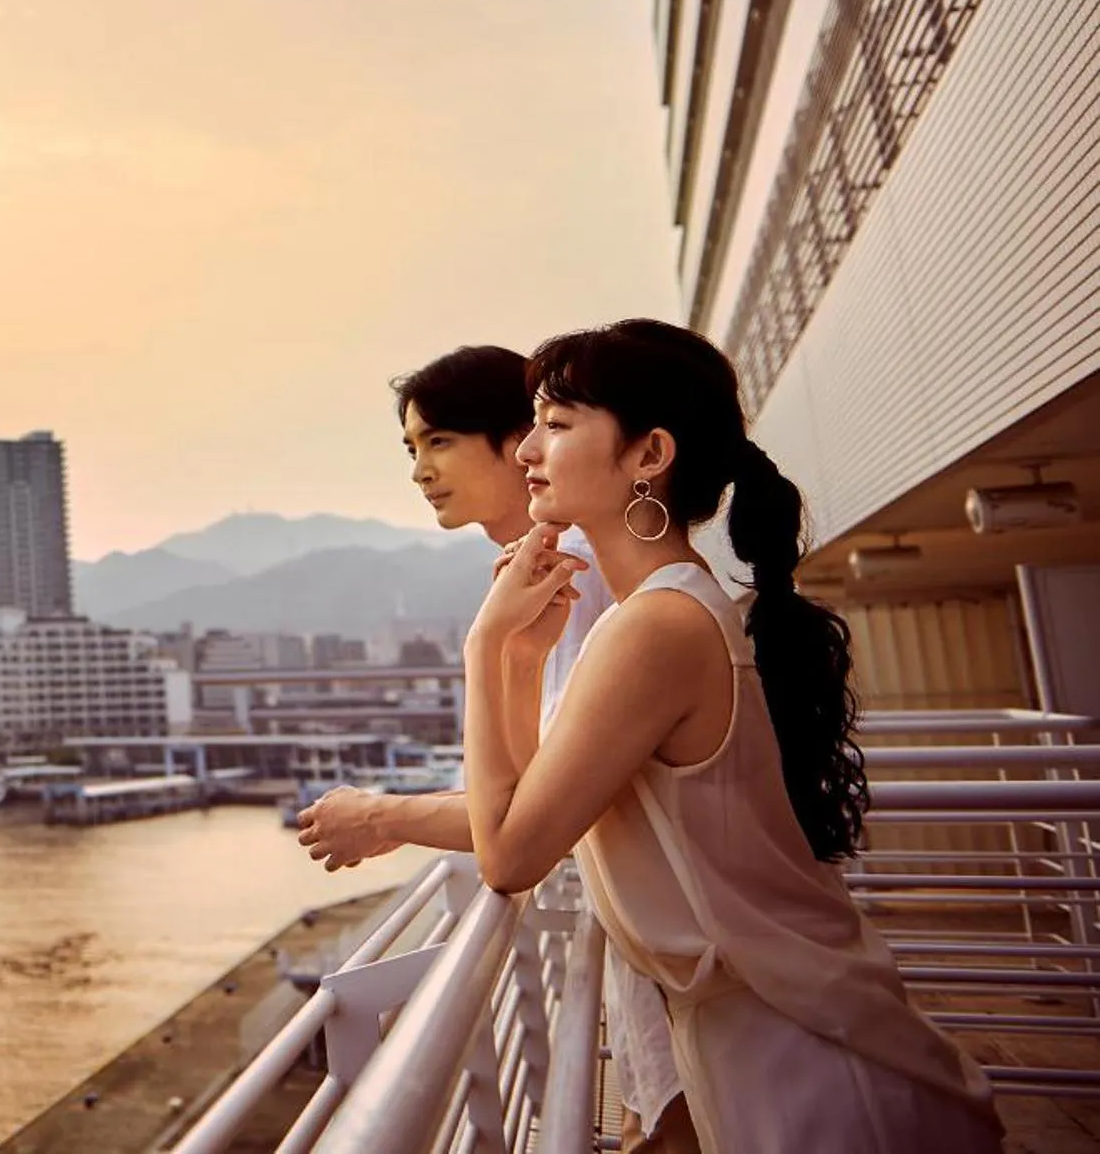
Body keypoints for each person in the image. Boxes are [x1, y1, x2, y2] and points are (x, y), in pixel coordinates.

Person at [465, 318, 1001, 1153]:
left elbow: (506, 852)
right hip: (775, 1034)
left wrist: (482, 645)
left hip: (804, 1059)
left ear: (648, 455)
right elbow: (543, 801)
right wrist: (523, 657)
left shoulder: (658, 626)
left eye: (557, 423)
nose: (527, 449)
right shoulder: (671, 607)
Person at [297, 345, 692, 1151]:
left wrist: (383, 814)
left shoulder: (587, 583)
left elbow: (536, 818)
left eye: (439, 440)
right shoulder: (549, 575)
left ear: (518, 441)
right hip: (663, 946)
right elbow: (534, 793)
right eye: (411, 448)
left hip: (688, 954)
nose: (419, 470)